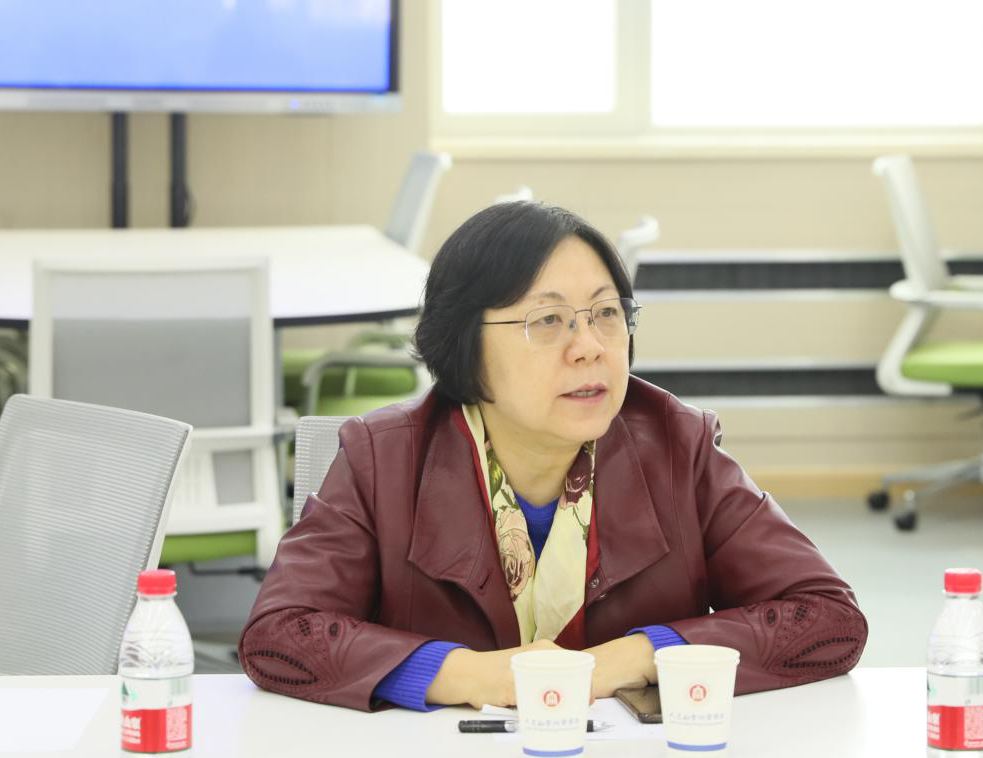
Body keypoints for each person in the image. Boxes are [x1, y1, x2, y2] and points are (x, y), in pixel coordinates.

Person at [239, 202, 868, 711]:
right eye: (547, 321)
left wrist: (633, 657)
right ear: (464, 344)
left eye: (606, 314)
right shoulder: (383, 458)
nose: (589, 346)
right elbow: (279, 635)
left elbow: (828, 619)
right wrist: (469, 675)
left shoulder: (679, 445)